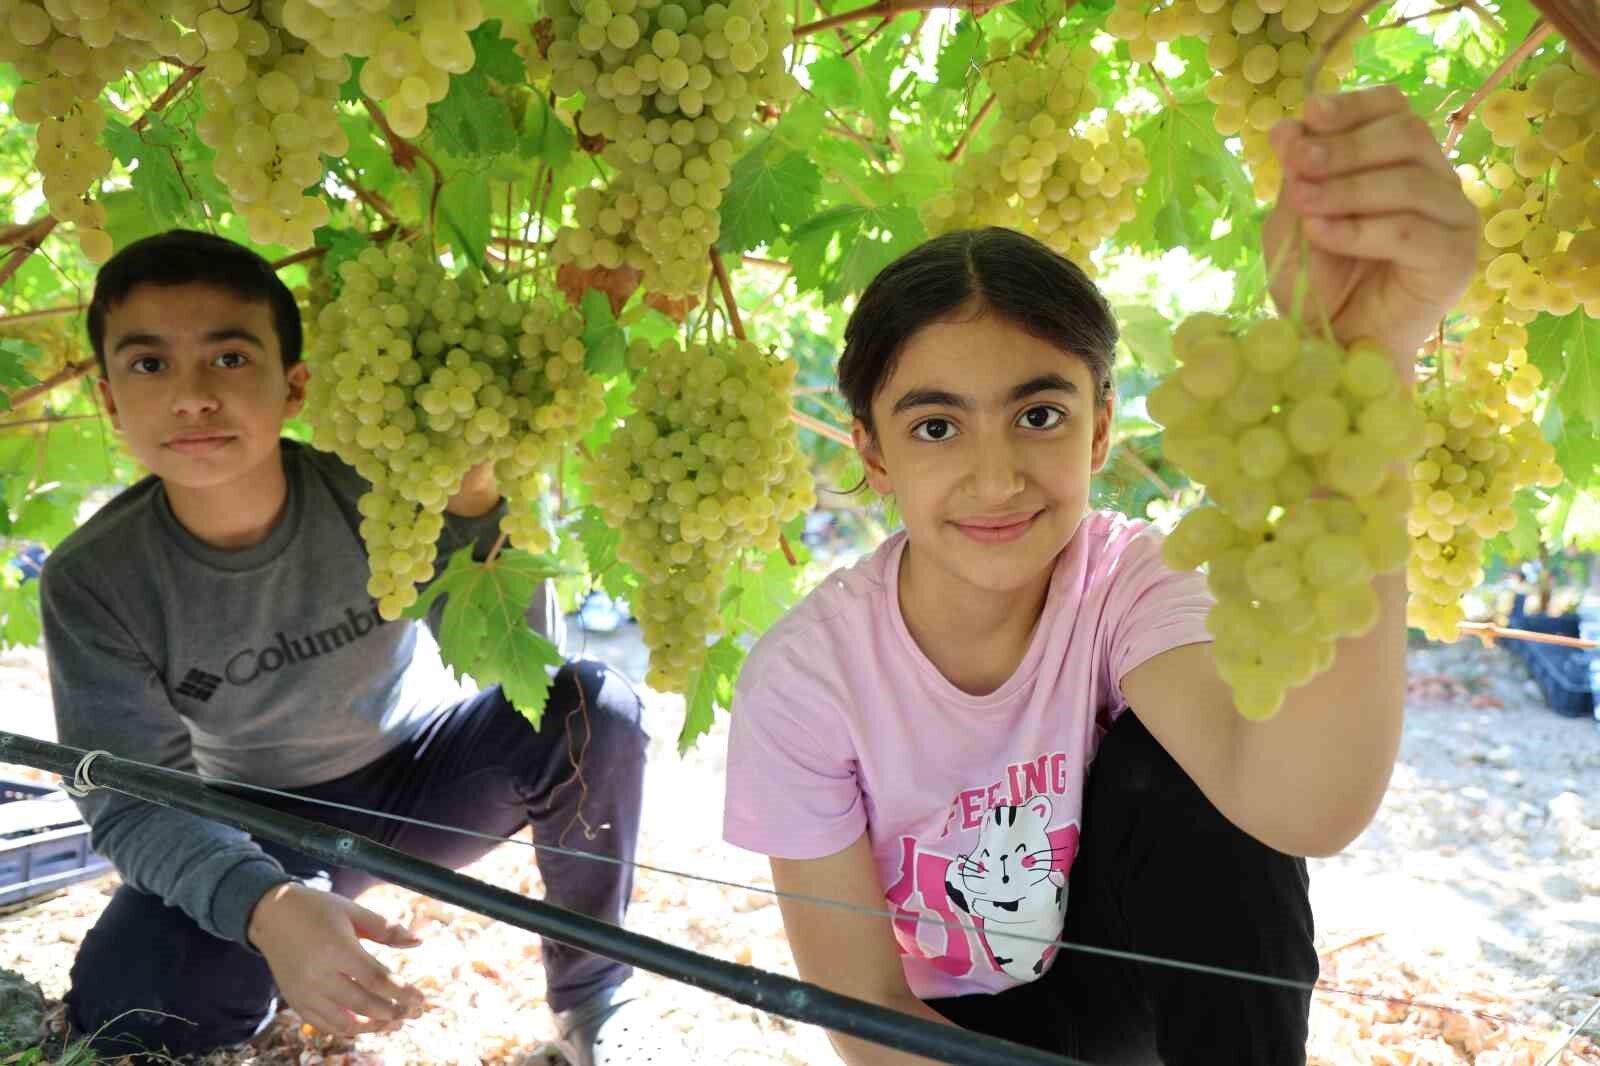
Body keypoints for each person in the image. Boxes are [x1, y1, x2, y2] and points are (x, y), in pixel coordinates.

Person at [723, 88, 1479, 1064]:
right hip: (940, 1034)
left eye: (1038, 415)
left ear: (1101, 428)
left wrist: (1373, 354)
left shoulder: (1129, 582)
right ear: (872, 452)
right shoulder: (805, 680)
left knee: (1172, 772)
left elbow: (1302, 805)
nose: (995, 477)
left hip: (1127, 992)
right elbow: (860, 1008)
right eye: (936, 426)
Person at [39, 229, 670, 1066]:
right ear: (111, 400)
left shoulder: (379, 487)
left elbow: (515, 667)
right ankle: (280, 948)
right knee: (129, 1006)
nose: (191, 397)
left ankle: (595, 999)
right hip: (251, 820)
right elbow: (132, 799)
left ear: (294, 385)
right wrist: (266, 904)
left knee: (595, 706)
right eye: (149, 365)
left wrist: (478, 508)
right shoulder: (94, 579)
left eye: (228, 359)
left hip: (419, 787)